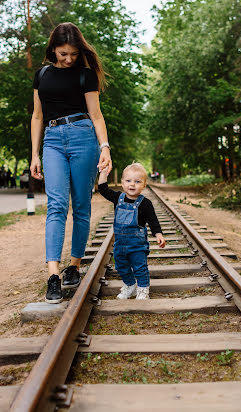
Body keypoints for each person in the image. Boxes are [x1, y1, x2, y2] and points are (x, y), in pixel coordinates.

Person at [30, 22, 112, 304]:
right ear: (53, 49)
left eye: (73, 54)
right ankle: (53, 275)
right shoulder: (41, 74)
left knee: (81, 205)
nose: (68, 59)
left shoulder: (86, 76)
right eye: (64, 53)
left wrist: (105, 148)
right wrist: (34, 154)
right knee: (56, 205)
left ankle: (74, 266)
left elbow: (97, 115)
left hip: (83, 138)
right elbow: (37, 116)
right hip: (52, 140)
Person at [98, 163, 165, 300]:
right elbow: (103, 189)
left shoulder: (145, 203)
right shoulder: (118, 198)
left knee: (140, 267)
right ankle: (130, 285)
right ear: (122, 183)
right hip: (120, 244)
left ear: (144, 185)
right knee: (121, 266)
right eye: (128, 181)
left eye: (137, 181)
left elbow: (153, 221)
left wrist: (158, 234)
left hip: (137, 245)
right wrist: (103, 173)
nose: (132, 185)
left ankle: (143, 289)